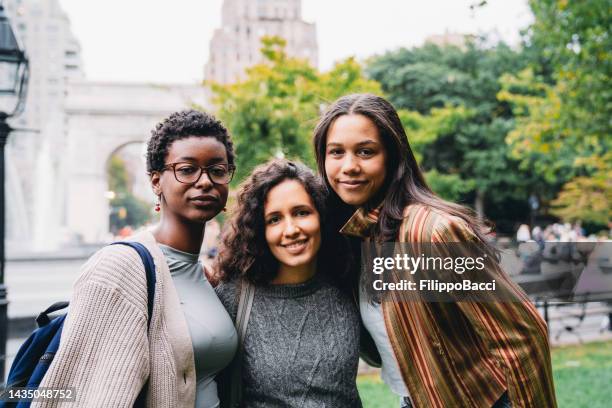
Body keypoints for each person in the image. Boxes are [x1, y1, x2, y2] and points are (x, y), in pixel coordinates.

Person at [313, 94, 557, 408]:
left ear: (392, 157)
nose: (349, 166)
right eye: (336, 152)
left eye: (365, 151)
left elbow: (523, 335)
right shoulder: (358, 233)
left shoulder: (431, 233)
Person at [34, 110, 238, 407]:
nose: (204, 181)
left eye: (217, 170)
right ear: (156, 181)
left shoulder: (206, 277)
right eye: (187, 169)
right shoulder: (118, 268)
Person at [214, 159, 362, 407]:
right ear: (259, 230)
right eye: (274, 219)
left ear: (321, 216)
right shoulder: (234, 297)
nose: (291, 229)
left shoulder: (348, 282)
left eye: (301, 212)